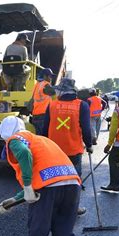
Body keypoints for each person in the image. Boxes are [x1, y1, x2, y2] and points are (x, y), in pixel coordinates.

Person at [0, 116, 85, 236]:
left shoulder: (16, 139)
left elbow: (24, 154)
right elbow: (44, 175)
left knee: (37, 234)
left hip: (49, 190)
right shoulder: (42, 140)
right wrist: (15, 199)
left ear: (6, 135)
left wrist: (28, 187)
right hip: (71, 185)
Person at [43, 78, 92, 216]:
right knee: (74, 180)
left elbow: (44, 129)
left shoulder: (52, 105)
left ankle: (53, 206)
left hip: (53, 151)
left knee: (54, 179)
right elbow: (86, 129)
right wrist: (89, 145)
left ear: (61, 91)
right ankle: (72, 208)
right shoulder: (82, 106)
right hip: (73, 151)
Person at [28, 68, 56, 135]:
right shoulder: (45, 85)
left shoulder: (37, 85)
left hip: (35, 114)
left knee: (38, 135)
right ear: (45, 76)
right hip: (43, 115)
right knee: (44, 136)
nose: (51, 79)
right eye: (50, 76)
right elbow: (54, 92)